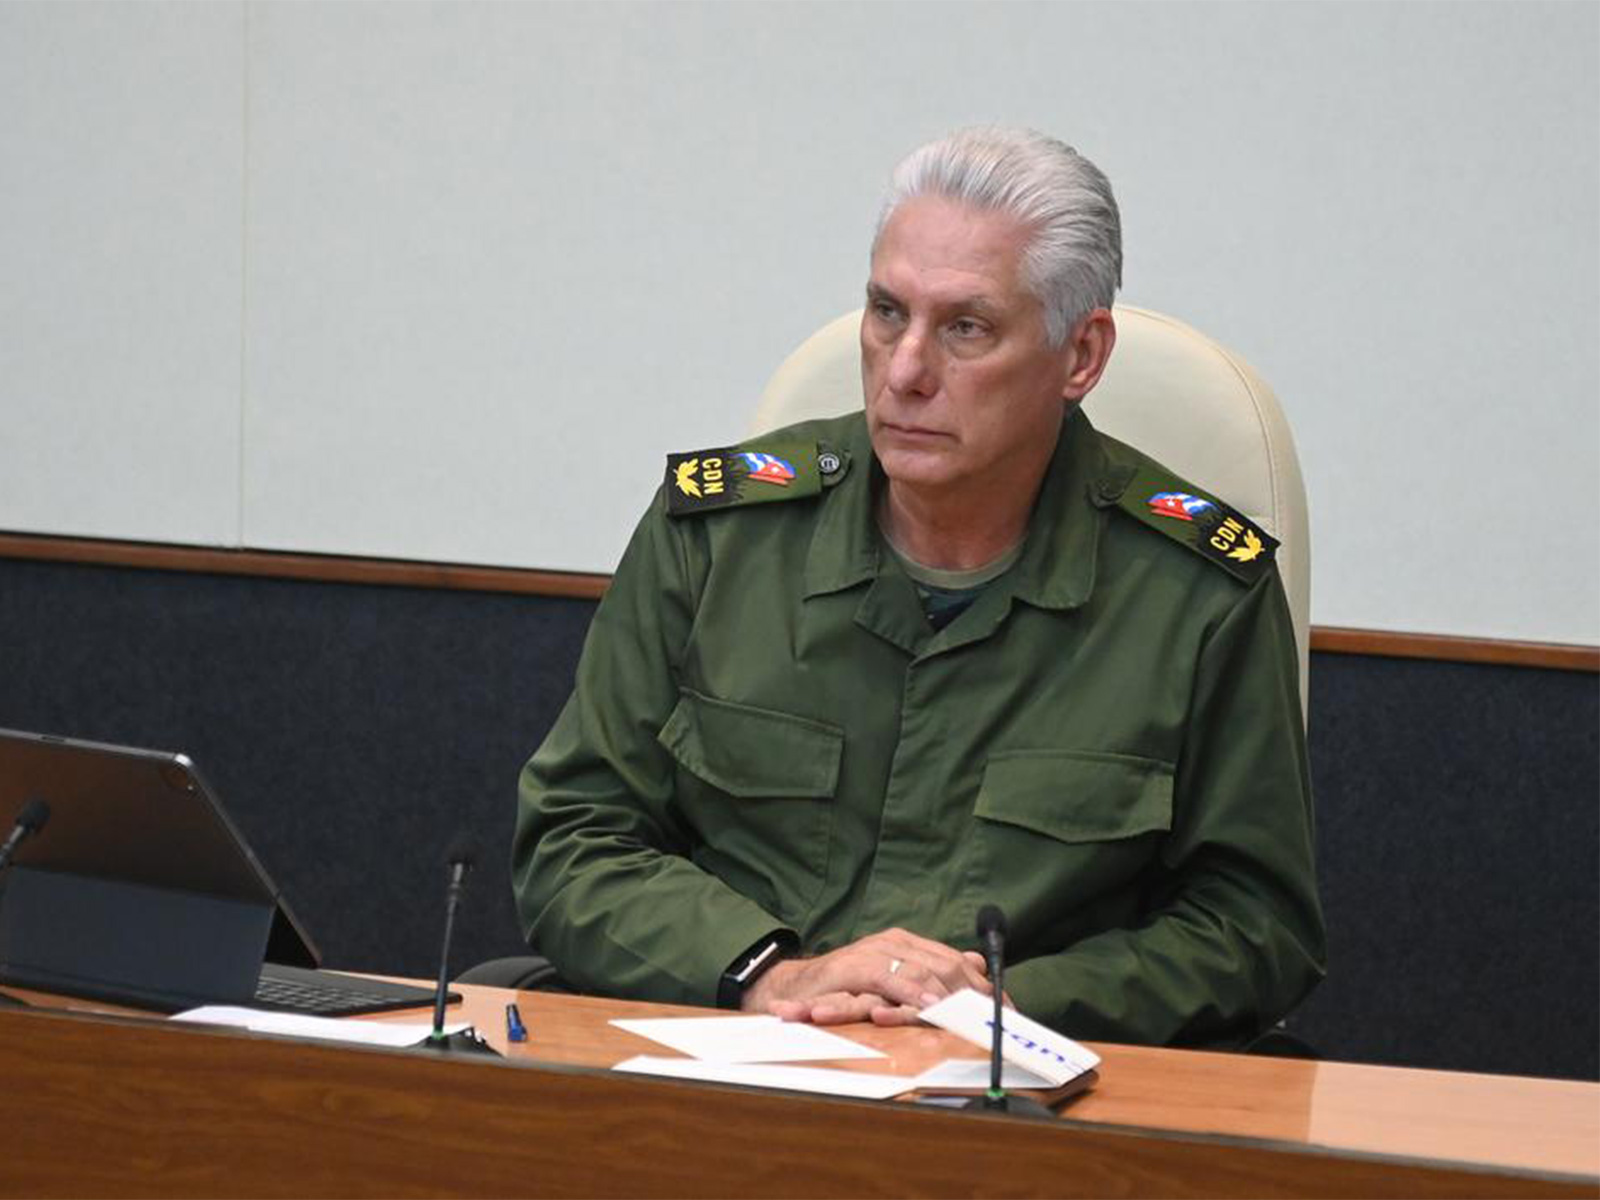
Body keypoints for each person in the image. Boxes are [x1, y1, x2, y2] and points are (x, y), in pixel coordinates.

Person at [512, 127, 1325, 1048]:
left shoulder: (1195, 592)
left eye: (965, 328)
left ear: (1082, 357)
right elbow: (574, 838)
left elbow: (1254, 928)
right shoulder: (718, 535)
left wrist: (1002, 1009)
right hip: (733, 1081)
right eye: (887, 312)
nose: (904, 372)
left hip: (1010, 1112)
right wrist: (769, 974)